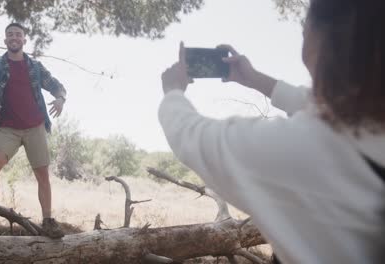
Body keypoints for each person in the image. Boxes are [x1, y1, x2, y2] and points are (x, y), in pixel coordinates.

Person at [159, 0, 384, 263]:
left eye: (305, 26)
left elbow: (192, 136)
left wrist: (173, 92)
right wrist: (253, 79)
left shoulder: (305, 149)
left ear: (319, 39)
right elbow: (328, 109)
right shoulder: (367, 126)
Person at [0, 22, 67, 239]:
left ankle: (48, 221)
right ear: (5, 40)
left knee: (42, 175)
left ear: (24, 40)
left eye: (18, 35)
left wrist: (60, 99)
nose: (14, 38)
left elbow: (58, 86)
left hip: (35, 127)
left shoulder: (35, 67)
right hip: (8, 128)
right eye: (10, 34)